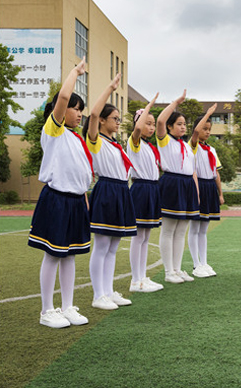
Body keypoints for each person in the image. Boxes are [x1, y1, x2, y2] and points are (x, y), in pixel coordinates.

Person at [28, 58, 91, 328]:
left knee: (71, 254)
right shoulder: (53, 132)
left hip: (76, 201)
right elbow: (64, 95)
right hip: (56, 200)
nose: (79, 114)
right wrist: (75, 72)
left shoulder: (76, 138)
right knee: (53, 255)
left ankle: (67, 307)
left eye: (81, 110)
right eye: (75, 109)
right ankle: (46, 311)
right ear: (60, 110)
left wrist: (85, 200)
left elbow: (81, 175)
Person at [86, 73, 137, 310]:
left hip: (120, 190)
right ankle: (99, 295)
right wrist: (109, 87)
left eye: (119, 118)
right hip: (106, 189)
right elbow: (93, 114)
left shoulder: (116, 144)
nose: (118, 122)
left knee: (114, 245)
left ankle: (108, 291)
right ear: (104, 121)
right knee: (102, 244)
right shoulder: (95, 140)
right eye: (114, 118)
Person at [156, 90, 198, 283]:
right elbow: (159, 122)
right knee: (169, 228)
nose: (183, 127)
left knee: (182, 229)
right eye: (179, 124)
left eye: (184, 124)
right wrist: (176, 102)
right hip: (172, 183)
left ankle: (177, 268)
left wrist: (195, 192)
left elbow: (192, 170)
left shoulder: (187, 145)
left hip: (187, 185)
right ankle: (168, 272)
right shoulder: (165, 141)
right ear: (170, 126)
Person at [127, 93, 164, 293]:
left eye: (152, 124)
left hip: (152, 188)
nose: (150, 127)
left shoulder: (150, 147)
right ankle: (135, 280)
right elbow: (138, 128)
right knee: (138, 236)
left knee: (146, 236)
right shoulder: (134, 142)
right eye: (147, 123)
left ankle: (142, 277)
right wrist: (149, 105)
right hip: (140, 188)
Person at [187, 104, 223, 278]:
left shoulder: (212, 150)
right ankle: (195, 265)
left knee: (204, 228)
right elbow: (195, 134)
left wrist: (220, 193)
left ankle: (204, 262)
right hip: (197, 185)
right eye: (204, 128)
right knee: (194, 227)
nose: (207, 132)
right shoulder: (192, 146)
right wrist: (208, 113)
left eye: (209, 129)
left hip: (209, 187)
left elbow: (215, 172)